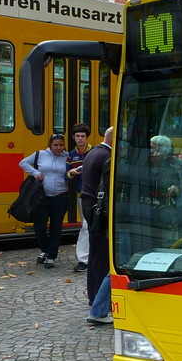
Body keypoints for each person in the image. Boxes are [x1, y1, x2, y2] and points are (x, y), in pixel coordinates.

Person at [18, 133, 70, 268]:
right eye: (55, 145)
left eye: (61, 145)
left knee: (56, 227)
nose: (58, 148)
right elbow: (23, 163)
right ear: (50, 145)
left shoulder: (67, 156)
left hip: (61, 195)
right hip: (42, 197)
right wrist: (35, 173)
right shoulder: (40, 154)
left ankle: (51, 256)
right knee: (39, 226)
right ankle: (44, 249)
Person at [81, 126, 113, 321]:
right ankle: (99, 302)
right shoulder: (106, 157)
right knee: (102, 257)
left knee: (96, 255)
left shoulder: (94, 153)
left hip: (89, 205)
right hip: (99, 210)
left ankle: (94, 296)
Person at [148, 135, 182, 248]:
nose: (151, 152)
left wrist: (177, 190)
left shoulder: (177, 164)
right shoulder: (145, 164)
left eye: (155, 148)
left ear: (165, 152)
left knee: (174, 244)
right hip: (151, 212)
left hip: (173, 212)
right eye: (150, 148)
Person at [66, 123, 93, 272]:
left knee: (87, 226)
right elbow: (67, 176)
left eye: (83, 136)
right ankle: (85, 259)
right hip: (81, 195)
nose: (80, 139)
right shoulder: (71, 155)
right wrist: (72, 173)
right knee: (86, 226)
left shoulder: (94, 151)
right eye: (77, 136)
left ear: (86, 137)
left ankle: (85, 259)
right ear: (73, 138)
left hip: (95, 194)